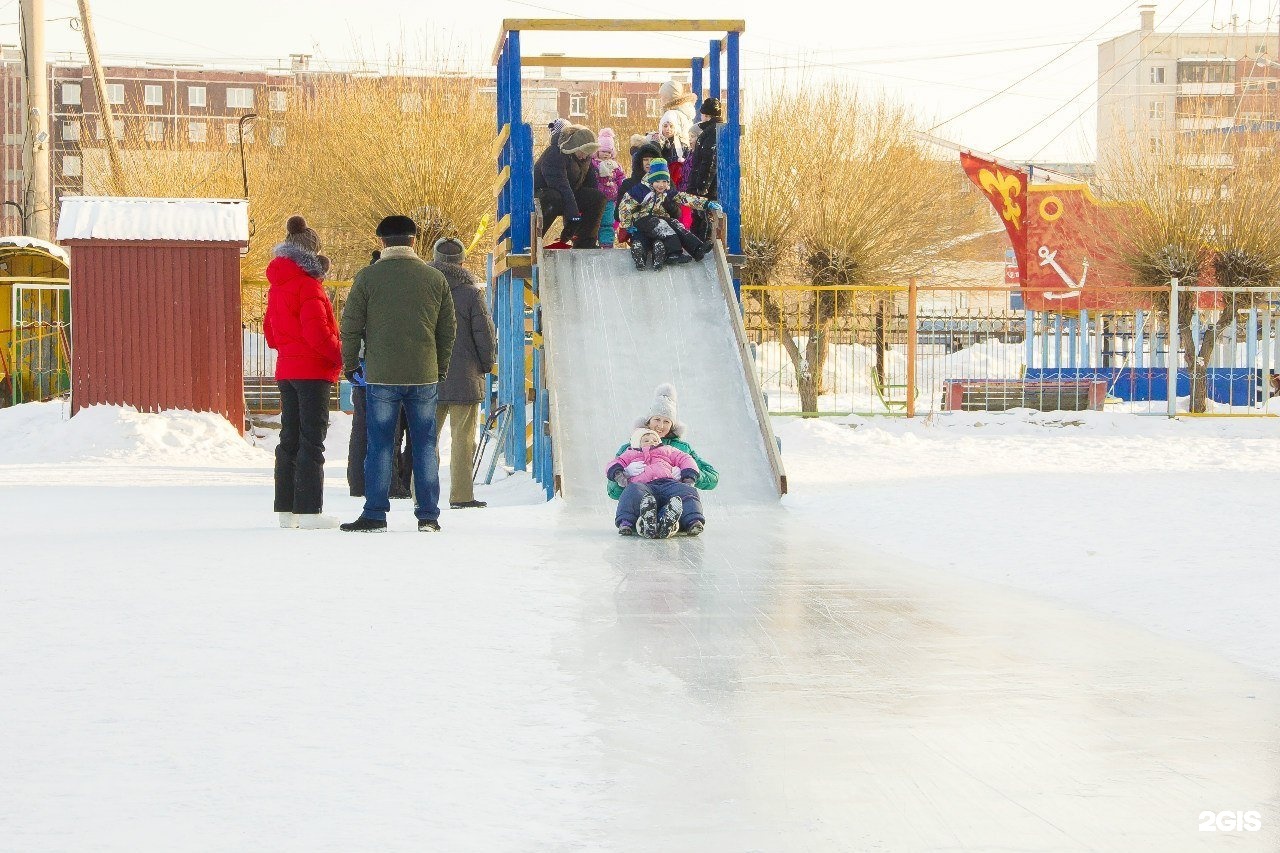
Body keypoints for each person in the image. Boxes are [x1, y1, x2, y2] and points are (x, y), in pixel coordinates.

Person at [339, 215, 456, 532]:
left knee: (379, 445)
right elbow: (447, 330)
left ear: (381, 242)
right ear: (414, 241)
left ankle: (375, 514)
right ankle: (428, 515)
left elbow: (350, 327)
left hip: (382, 375)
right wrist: (439, 365)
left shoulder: (367, 278)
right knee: (425, 445)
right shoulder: (434, 279)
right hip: (424, 374)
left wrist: (350, 364)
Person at [263, 215, 343, 530]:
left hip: (286, 370)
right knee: (312, 439)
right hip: (313, 372)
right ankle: (310, 510)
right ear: (312, 254)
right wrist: (343, 354)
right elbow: (318, 334)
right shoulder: (309, 287)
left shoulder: (277, 287)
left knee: (289, 438)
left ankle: (286, 509)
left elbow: (270, 335)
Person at [428, 236, 497, 510]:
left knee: (426, 438)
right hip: (465, 375)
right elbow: (485, 334)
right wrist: (486, 363)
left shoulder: (425, 288)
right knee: (463, 438)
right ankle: (461, 495)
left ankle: (421, 492)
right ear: (462, 260)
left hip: (429, 374)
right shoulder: (471, 293)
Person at [346, 249, 415, 501]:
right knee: (391, 428)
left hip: (363, 368)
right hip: (387, 368)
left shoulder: (361, 285)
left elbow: (351, 326)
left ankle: (358, 482)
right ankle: (392, 484)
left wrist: (351, 363)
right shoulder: (392, 290)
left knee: (362, 426)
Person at [607, 384, 717, 537]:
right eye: (657, 419)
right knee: (637, 494)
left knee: (685, 494)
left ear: (672, 425)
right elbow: (612, 491)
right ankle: (643, 521)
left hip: (671, 491)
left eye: (667, 421)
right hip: (643, 497)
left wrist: (689, 477)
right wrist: (625, 475)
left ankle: (673, 520)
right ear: (648, 421)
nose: (660, 426)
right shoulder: (630, 448)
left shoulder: (681, 448)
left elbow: (713, 477)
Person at [618, 159, 722, 271]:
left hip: (655, 218)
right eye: (657, 181)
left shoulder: (665, 191)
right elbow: (625, 205)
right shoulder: (641, 190)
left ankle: (697, 248)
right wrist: (627, 224)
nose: (661, 185)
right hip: (641, 219)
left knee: (675, 223)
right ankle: (673, 253)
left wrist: (706, 204)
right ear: (651, 180)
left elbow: (684, 197)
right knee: (662, 225)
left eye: (664, 181)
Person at [607, 428, 699, 538]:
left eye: (655, 440)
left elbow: (685, 458)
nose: (651, 442)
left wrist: (688, 476)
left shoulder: (667, 450)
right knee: (631, 491)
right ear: (637, 443)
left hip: (668, 483)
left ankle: (693, 520)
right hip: (643, 485)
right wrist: (621, 474)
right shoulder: (629, 453)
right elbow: (615, 463)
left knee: (687, 491)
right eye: (646, 440)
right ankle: (626, 522)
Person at [534, 124, 605, 249]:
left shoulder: (584, 160)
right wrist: (573, 218)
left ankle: (584, 242)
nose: (584, 156)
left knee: (597, 198)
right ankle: (532, 242)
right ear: (573, 146)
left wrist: (574, 227)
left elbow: (590, 186)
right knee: (554, 197)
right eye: (582, 151)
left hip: (565, 196)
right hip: (543, 197)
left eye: (588, 153)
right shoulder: (554, 154)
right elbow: (561, 187)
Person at [685, 97, 722, 244]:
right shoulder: (712, 131)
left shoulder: (709, 133)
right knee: (702, 217)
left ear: (706, 115)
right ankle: (700, 242)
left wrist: (701, 187)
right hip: (706, 185)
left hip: (703, 186)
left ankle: (700, 243)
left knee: (702, 217)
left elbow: (708, 161)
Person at [615, 138, 663, 244]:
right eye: (645, 159)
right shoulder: (629, 184)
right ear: (640, 161)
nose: (649, 163)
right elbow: (617, 214)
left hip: (661, 228)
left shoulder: (666, 182)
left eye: (652, 160)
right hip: (637, 229)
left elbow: (676, 212)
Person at [592, 128, 626, 249]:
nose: (606, 154)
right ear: (597, 151)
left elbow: (621, 179)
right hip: (596, 199)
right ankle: (592, 242)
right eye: (603, 151)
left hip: (610, 200)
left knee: (608, 223)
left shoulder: (616, 166)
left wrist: (622, 189)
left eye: (608, 152)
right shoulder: (594, 164)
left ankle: (607, 243)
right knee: (595, 222)